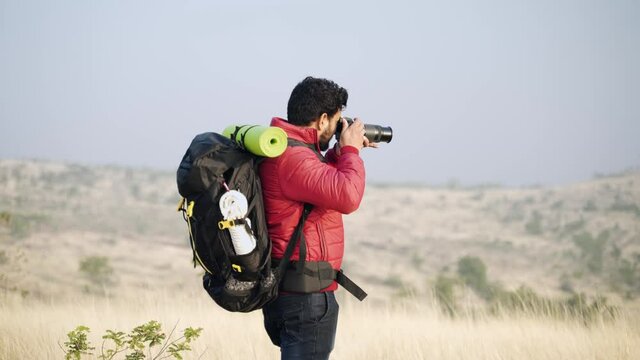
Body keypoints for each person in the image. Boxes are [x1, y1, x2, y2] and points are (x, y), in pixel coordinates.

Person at [259, 76, 374, 359]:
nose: (338, 127)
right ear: (323, 120)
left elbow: (320, 185)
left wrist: (338, 154)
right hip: (305, 299)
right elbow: (347, 195)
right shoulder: (293, 157)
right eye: (336, 120)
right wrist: (349, 151)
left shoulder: (291, 151)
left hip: (296, 294)